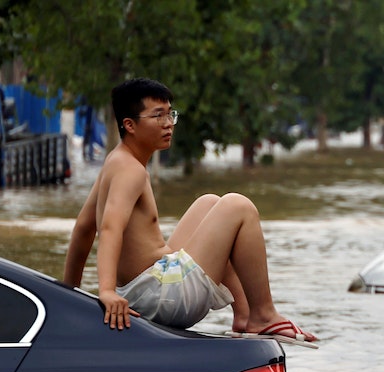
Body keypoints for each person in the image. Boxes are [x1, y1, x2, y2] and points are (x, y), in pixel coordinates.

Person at [62, 78, 317, 348]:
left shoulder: (115, 161)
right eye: (157, 116)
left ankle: (243, 316)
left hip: (150, 289)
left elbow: (84, 229)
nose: (168, 123)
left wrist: (66, 297)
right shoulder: (131, 170)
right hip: (160, 296)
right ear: (130, 125)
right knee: (238, 206)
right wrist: (106, 291)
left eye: (170, 113)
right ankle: (263, 315)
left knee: (209, 204)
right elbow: (110, 227)